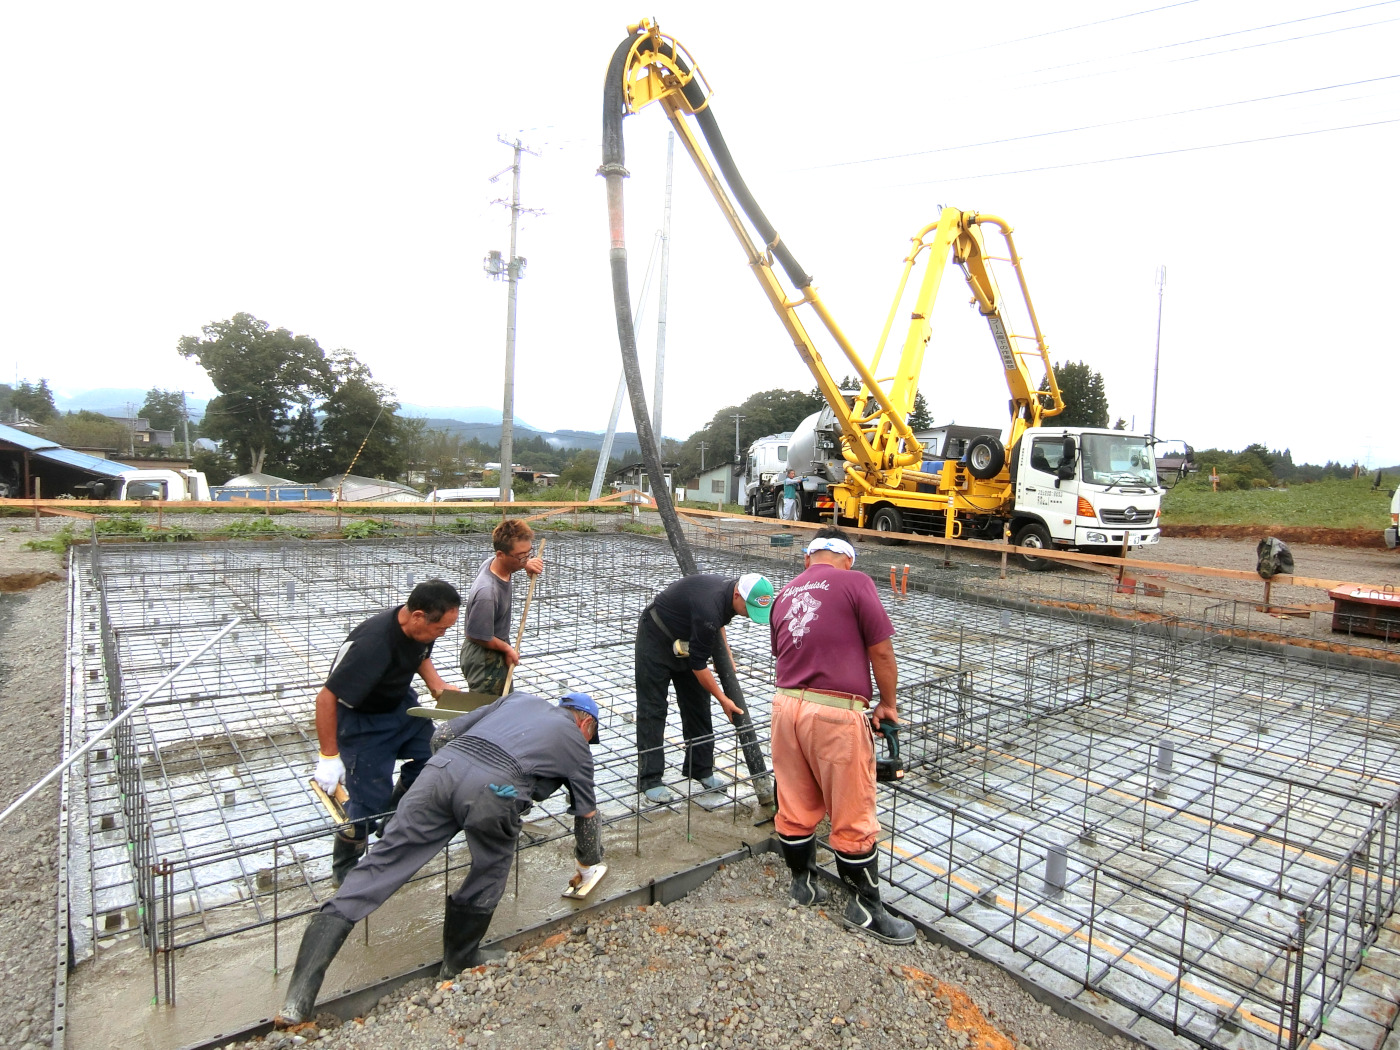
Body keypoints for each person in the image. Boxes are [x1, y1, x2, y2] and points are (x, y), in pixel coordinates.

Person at [278, 691, 604, 1026]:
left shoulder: (519, 700)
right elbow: (587, 815)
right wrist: (588, 861)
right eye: (591, 736)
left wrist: (453, 778)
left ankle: (296, 1001)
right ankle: (459, 960)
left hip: (437, 773)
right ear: (585, 723)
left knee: (378, 868)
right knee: (489, 868)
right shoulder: (577, 745)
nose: (588, 741)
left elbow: (442, 735)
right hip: (495, 789)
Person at [767, 527, 915, 944]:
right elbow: (881, 650)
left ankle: (804, 886)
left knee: (794, 802)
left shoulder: (783, 595)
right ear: (848, 558)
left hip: (785, 706)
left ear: (808, 558)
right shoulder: (856, 582)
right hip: (834, 712)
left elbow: (784, 653)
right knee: (852, 811)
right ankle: (866, 909)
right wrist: (887, 703)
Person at [312, 579, 460, 887]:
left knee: (434, 759)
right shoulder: (372, 645)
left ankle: (392, 819)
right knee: (366, 805)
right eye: (441, 628)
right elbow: (326, 697)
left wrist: (437, 684)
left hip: (399, 706)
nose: (442, 634)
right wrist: (328, 755)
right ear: (418, 616)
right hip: (362, 720)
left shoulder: (420, 629)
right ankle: (346, 866)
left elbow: (422, 654)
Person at [634, 572, 774, 804]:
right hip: (656, 636)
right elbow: (699, 665)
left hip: (687, 638)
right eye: (749, 609)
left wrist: (726, 654)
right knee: (653, 708)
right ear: (738, 595)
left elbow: (717, 621)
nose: (751, 615)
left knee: (698, 705)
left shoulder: (728, 594)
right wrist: (723, 699)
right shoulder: (711, 603)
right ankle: (650, 779)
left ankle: (700, 769)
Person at [460, 519, 545, 695]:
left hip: (494, 646)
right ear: (500, 555)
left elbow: (516, 561)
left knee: (503, 703)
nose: (526, 559)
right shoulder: (487, 593)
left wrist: (525, 564)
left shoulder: (495, 564)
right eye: (521, 556)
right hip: (484, 656)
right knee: (489, 712)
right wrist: (507, 649)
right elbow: (476, 634)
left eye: (528, 553)